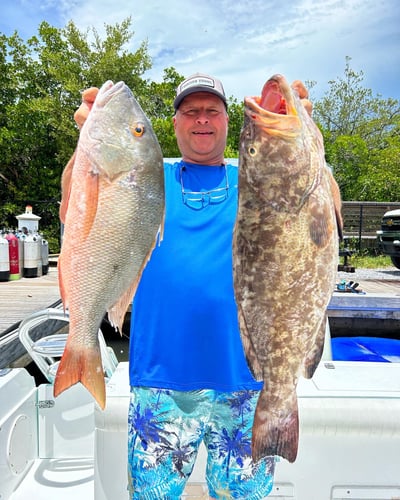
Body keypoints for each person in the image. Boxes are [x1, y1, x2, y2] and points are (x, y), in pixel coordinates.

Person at [75, 73, 309, 500]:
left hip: (247, 382)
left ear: (225, 120)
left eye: (212, 111)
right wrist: (89, 138)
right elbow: (83, 202)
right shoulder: (143, 173)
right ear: (176, 121)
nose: (202, 120)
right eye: (191, 111)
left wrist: (298, 134)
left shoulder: (259, 175)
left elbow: (313, 201)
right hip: (162, 380)